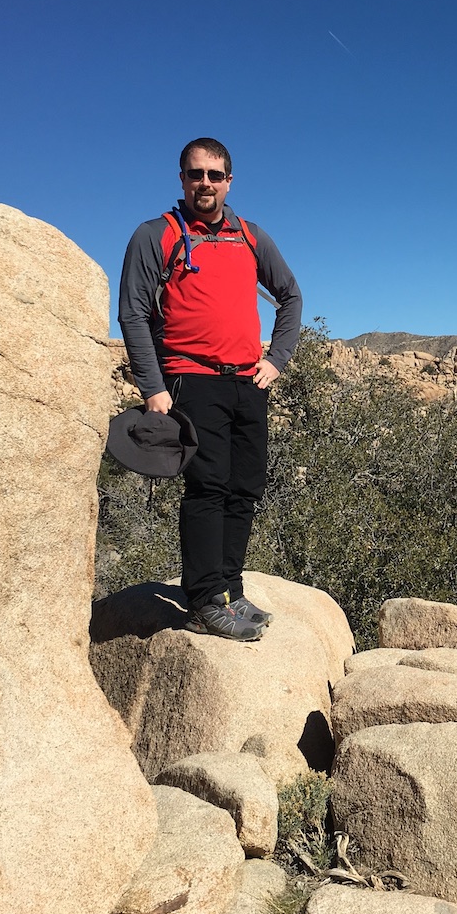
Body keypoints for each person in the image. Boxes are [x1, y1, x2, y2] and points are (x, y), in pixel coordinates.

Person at [118, 137, 302, 640]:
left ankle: (229, 590)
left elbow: (290, 296)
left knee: (244, 488)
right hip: (190, 377)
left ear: (229, 181)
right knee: (208, 487)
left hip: (247, 381)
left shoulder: (249, 235)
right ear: (182, 179)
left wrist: (277, 360)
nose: (205, 183)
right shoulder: (156, 234)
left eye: (215, 175)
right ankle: (202, 601)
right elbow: (132, 313)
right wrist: (153, 386)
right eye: (196, 174)